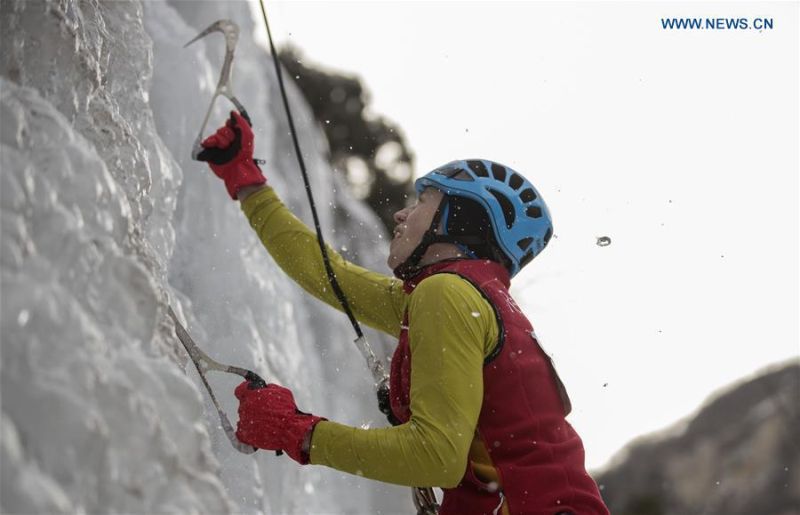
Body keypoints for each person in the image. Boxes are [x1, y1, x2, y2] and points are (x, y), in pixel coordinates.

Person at [200, 111, 610, 515]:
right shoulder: (465, 296)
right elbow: (328, 275)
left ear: (458, 220)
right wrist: (248, 183)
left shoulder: (449, 295)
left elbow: (435, 457)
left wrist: (297, 432)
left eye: (422, 202)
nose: (401, 214)